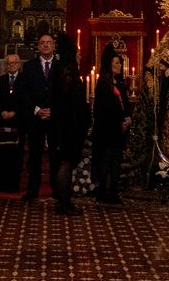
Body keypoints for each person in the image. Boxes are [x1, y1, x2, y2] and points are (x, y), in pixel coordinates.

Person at [49, 33, 91, 215]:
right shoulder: (68, 71)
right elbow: (73, 102)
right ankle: (64, 203)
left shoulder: (58, 69)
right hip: (68, 126)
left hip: (60, 123)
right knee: (66, 163)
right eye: (77, 53)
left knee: (63, 162)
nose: (80, 56)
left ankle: (62, 202)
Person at [16, 32, 60, 200]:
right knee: (35, 155)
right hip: (35, 117)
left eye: (49, 42)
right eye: (42, 42)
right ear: (38, 46)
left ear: (54, 45)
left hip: (54, 118)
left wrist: (52, 110)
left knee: (55, 155)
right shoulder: (29, 66)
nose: (46, 45)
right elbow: (24, 91)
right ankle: (33, 190)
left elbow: (63, 92)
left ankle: (57, 189)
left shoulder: (61, 66)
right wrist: (37, 110)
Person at [91, 49, 132, 203]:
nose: (120, 65)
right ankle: (103, 192)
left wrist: (128, 118)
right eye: (116, 63)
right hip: (107, 129)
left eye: (120, 62)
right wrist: (119, 122)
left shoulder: (120, 84)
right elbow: (103, 110)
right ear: (109, 65)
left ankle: (114, 192)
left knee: (116, 160)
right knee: (106, 160)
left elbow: (125, 105)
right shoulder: (103, 84)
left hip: (119, 130)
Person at [0, 51, 24, 131]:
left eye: (14, 63)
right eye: (9, 63)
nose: (11, 65)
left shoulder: (25, 79)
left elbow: (25, 100)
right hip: (2, 119)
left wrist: (14, 112)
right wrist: (2, 111)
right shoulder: (1, 80)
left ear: (18, 64)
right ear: (6, 65)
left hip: (19, 119)